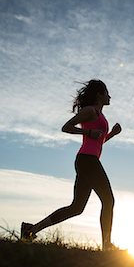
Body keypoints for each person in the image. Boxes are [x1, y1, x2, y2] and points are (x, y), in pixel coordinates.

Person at [21, 79, 122, 251]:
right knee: (108, 200)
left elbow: (98, 141)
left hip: (87, 160)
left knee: (76, 208)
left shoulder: (100, 115)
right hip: (87, 160)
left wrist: (112, 133)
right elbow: (66, 127)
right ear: (99, 94)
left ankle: (30, 230)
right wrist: (88, 131)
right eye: (106, 92)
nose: (109, 96)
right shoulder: (90, 111)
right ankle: (107, 246)